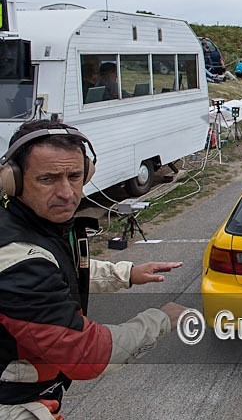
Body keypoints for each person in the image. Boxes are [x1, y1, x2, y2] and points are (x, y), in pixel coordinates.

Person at [0, 119, 187, 419]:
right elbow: (87, 354)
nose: (66, 192)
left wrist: (125, 274)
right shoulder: (17, 262)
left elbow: (61, 266)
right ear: (14, 180)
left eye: (74, 176)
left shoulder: (33, 222)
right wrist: (161, 319)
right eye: (48, 179)